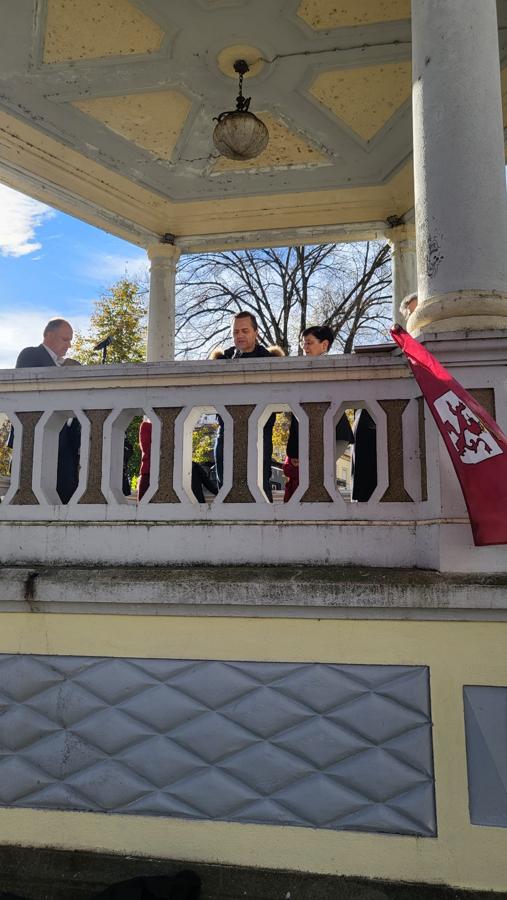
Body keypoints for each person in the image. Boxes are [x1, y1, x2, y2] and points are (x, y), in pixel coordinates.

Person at [211, 311, 284, 501]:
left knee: (260, 485)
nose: (240, 336)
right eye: (236, 332)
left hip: (260, 432)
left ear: (256, 332)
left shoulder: (270, 360)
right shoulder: (224, 359)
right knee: (225, 486)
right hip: (227, 430)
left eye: (245, 331)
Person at [283, 325, 354, 501]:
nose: (305, 348)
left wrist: (295, 451)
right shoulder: (301, 373)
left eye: (309, 343)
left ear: (324, 345)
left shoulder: (334, 370)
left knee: (318, 475)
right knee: (314, 479)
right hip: (315, 437)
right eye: (303, 343)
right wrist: (294, 451)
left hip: (336, 436)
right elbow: (298, 416)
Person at [14, 318, 80, 503]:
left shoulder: (65, 364)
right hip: (35, 437)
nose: (69, 345)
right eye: (65, 339)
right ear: (50, 335)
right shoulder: (31, 354)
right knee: (34, 498)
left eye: (70, 340)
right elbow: (26, 392)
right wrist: (63, 373)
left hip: (64, 439)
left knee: (66, 495)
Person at [137, 419, 218, 504]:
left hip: (171, 472)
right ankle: (204, 502)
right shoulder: (147, 426)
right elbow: (150, 451)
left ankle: (202, 503)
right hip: (151, 473)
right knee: (194, 469)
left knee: (194, 469)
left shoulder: (173, 428)